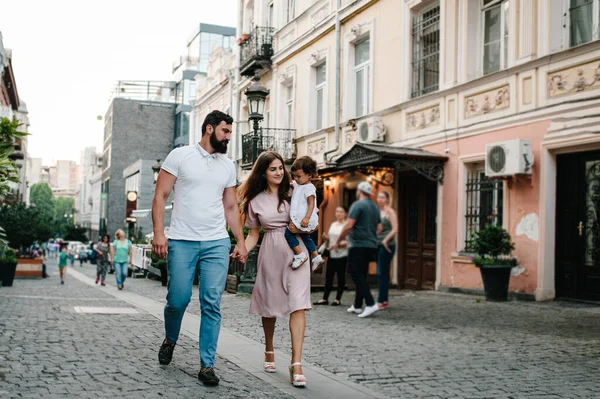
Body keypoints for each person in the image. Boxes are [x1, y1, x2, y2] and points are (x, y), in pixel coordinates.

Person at [151, 110, 247, 387]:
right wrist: (160, 233)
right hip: (182, 240)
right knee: (178, 300)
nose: (229, 136)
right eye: (225, 131)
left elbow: (230, 206)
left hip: (216, 242)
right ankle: (170, 339)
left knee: (211, 303)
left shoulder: (227, 166)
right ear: (209, 129)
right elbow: (161, 196)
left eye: (230, 131)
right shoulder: (180, 156)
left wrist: (239, 240)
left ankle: (207, 364)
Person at [238, 151, 312, 388]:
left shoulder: (295, 193)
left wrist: (304, 225)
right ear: (263, 173)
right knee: (269, 305)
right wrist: (243, 250)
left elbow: (311, 218)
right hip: (270, 253)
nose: (280, 172)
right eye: (273, 169)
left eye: (281, 168)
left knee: (299, 305)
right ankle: (269, 348)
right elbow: (253, 235)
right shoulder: (255, 201)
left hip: (298, 252)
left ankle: (296, 363)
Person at [331, 181, 382, 319]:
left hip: (358, 246)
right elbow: (379, 228)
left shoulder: (358, 205)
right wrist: (370, 236)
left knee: (356, 274)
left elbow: (349, 225)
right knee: (362, 274)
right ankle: (358, 305)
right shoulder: (375, 207)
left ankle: (371, 303)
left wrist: (338, 240)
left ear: (359, 191)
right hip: (371, 246)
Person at [285, 156, 324, 270]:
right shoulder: (299, 184)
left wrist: (306, 218)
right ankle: (316, 257)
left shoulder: (309, 188)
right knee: (306, 237)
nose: (296, 178)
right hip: (301, 217)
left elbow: (311, 204)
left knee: (288, 234)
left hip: (304, 218)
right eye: (294, 176)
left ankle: (299, 254)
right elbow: (291, 184)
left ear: (309, 175)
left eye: (299, 176)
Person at [313, 206, 349, 306]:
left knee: (340, 276)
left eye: (341, 212)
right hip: (331, 254)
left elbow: (349, 241)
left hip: (342, 254)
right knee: (329, 276)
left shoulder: (347, 225)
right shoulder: (334, 224)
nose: (338, 213)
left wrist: (338, 244)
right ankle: (325, 298)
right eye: (337, 211)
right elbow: (331, 239)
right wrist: (326, 238)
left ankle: (338, 299)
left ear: (345, 214)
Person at [376, 190, 398, 310]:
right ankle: (384, 300)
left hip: (388, 245)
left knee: (381, 273)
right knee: (383, 273)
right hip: (377, 245)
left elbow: (395, 229)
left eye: (382, 198)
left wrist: (385, 240)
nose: (380, 199)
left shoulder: (390, 212)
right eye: (378, 197)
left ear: (387, 200)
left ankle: (381, 301)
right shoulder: (377, 212)